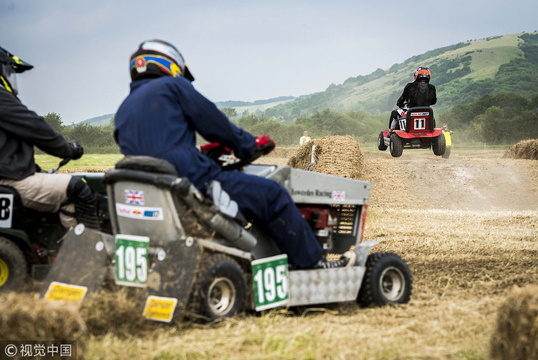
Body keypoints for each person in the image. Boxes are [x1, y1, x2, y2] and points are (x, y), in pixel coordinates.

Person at [114, 40, 355, 269]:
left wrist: (200, 155)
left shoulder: (124, 109)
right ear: (170, 63)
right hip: (190, 177)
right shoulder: (174, 86)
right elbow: (214, 123)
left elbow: (157, 148)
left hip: (149, 185)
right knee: (272, 194)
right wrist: (248, 145)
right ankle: (312, 263)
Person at [0, 46, 98, 229]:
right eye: (7, 71)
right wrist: (67, 149)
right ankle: (90, 251)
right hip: (8, 180)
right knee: (78, 188)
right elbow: (34, 126)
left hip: (8, 176)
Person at [389, 67, 437, 131]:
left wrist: (400, 103)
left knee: (394, 113)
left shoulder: (410, 86)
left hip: (411, 112)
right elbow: (434, 101)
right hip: (427, 113)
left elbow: (402, 98)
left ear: (416, 75)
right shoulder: (432, 87)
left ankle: (390, 131)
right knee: (431, 117)